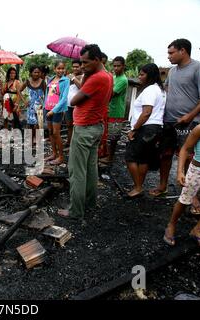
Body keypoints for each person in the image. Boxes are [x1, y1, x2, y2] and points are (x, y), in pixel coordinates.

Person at [150, 39, 200, 216]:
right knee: (165, 154)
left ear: (183, 51)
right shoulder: (172, 71)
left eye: (171, 53)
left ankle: (192, 196)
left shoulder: (199, 68)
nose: (168, 56)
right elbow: (167, 91)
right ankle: (163, 185)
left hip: (189, 123)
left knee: (187, 157)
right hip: (169, 120)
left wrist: (191, 115)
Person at [68, 44, 113, 219]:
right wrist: (87, 73)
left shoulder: (96, 78)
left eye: (86, 63)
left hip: (85, 128)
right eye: (81, 62)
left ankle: (75, 211)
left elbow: (73, 101)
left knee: (76, 171)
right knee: (90, 168)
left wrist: (85, 75)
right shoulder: (107, 76)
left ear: (97, 60)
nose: (82, 66)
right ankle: (89, 202)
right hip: (96, 126)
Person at [163, 118, 200, 250]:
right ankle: (172, 224)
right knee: (184, 201)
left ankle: (197, 229)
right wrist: (180, 172)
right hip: (197, 170)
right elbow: (185, 149)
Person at [125, 63, 166, 198]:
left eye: (142, 74)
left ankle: (137, 187)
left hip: (146, 128)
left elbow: (146, 112)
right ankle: (139, 186)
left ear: (150, 75)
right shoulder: (161, 90)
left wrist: (134, 129)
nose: (139, 77)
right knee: (143, 159)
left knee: (130, 156)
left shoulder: (150, 90)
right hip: (156, 128)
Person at [44, 61, 70, 165]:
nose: (61, 70)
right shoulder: (50, 80)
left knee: (56, 133)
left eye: (62, 68)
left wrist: (53, 110)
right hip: (47, 109)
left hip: (57, 110)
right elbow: (47, 95)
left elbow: (64, 99)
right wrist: (45, 106)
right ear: (54, 69)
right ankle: (54, 154)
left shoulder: (66, 80)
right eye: (58, 68)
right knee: (50, 132)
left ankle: (61, 156)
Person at [107, 56, 129, 162]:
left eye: (118, 66)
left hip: (117, 112)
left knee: (113, 137)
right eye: (114, 66)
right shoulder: (114, 77)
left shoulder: (123, 80)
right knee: (108, 136)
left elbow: (111, 93)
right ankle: (107, 155)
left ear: (123, 66)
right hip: (110, 110)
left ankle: (110, 158)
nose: (116, 68)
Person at [20, 65, 47, 145]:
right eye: (35, 72)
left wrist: (44, 104)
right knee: (31, 124)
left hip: (40, 105)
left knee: (39, 124)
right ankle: (32, 139)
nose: (36, 74)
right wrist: (24, 101)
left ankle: (37, 140)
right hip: (30, 105)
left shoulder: (42, 82)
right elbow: (19, 90)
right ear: (31, 73)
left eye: (38, 72)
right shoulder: (27, 81)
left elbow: (46, 94)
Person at [65, 60, 84, 147]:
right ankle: (69, 141)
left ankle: (76, 143)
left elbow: (81, 87)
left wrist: (73, 78)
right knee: (69, 125)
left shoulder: (84, 76)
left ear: (81, 67)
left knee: (77, 125)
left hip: (78, 105)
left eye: (77, 66)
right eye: (73, 66)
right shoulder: (69, 76)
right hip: (68, 105)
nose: (75, 68)